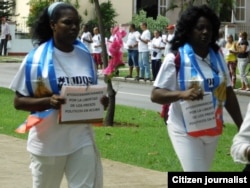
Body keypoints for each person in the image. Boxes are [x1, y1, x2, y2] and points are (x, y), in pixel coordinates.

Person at [9, 2, 108, 187]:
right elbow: (18, 101)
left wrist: (100, 102)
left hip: (81, 139)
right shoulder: (36, 59)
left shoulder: (84, 55)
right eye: (67, 22)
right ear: (53, 24)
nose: (74, 27)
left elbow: (90, 92)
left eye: (77, 23)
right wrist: (49, 101)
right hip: (48, 143)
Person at [150, 4, 243, 171]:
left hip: (211, 127)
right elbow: (155, 94)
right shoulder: (176, 58)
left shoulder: (218, 56)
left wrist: (241, 127)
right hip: (184, 129)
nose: (205, 32)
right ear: (189, 30)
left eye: (209, 28)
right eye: (200, 28)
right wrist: (182, 94)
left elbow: (228, 92)